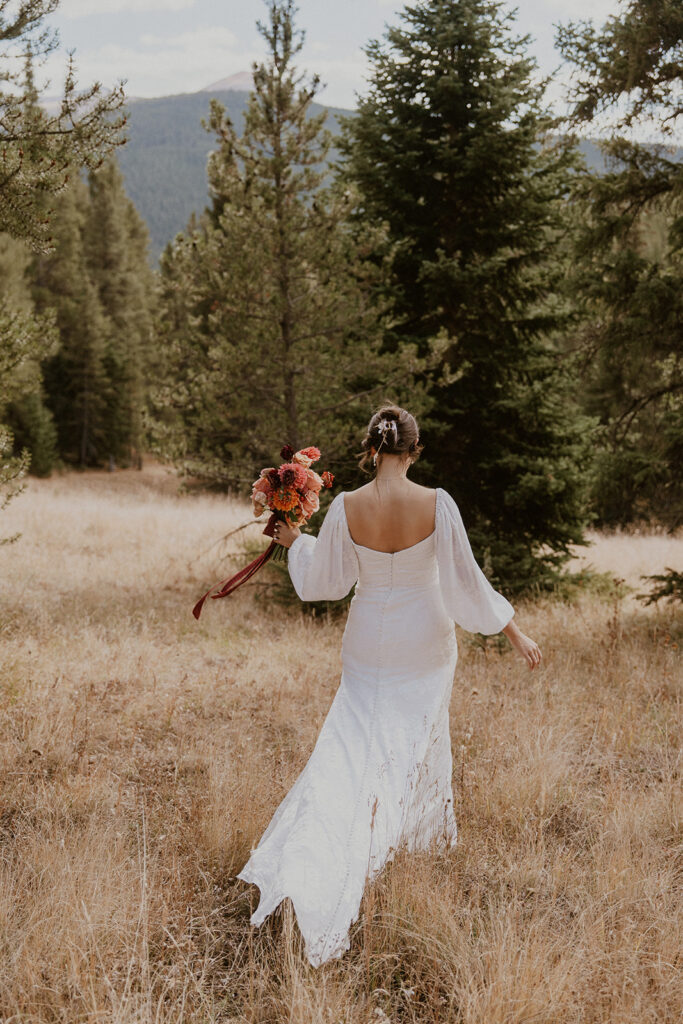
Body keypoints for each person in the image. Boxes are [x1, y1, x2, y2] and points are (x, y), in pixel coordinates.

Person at [237, 405, 542, 967]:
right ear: (414, 450)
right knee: (415, 744)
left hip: (367, 648)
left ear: (370, 449)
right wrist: (512, 631)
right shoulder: (437, 503)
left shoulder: (348, 506)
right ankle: (398, 843)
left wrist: (293, 542)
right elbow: (466, 583)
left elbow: (330, 582)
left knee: (350, 749)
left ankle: (320, 853)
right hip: (425, 645)